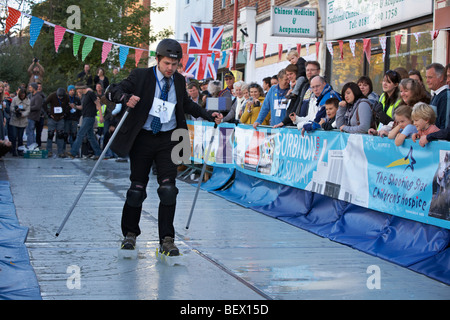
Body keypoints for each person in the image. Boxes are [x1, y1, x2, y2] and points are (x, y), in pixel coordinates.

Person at [104, 38, 222, 255]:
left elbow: (185, 104)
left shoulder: (178, 80)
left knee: (168, 190)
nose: (170, 68)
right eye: (167, 63)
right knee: (136, 191)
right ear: (158, 59)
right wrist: (125, 97)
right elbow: (112, 91)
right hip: (143, 138)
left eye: (174, 64)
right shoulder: (140, 76)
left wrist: (207, 114)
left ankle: (167, 239)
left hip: (170, 138)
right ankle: (130, 234)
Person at [273, 60, 321, 128]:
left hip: (314, 127)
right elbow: (296, 104)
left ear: (318, 71)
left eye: (312, 70)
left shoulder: (323, 86)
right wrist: (285, 121)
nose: (309, 72)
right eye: (307, 70)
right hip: (302, 124)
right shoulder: (305, 86)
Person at [67, 83, 103, 159]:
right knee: (91, 137)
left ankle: (73, 152)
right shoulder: (85, 96)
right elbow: (83, 107)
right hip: (85, 117)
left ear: (81, 88)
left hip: (89, 117)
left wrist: (101, 116)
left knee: (80, 134)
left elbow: (98, 103)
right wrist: (75, 106)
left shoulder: (90, 93)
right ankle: (98, 153)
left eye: (77, 90)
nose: (77, 92)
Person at [45, 88, 70, 158]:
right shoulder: (52, 96)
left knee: (60, 135)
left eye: (61, 97)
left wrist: (65, 114)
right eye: (59, 96)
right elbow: (44, 104)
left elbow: (69, 106)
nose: (60, 98)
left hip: (60, 118)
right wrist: (48, 113)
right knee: (50, 134)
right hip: (52, 118)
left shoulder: (66, 97)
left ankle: (60, 151)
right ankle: (49, 151)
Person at [426, 63, 449, 129]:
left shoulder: (445, 96)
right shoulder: (436, 95)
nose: (427, 81)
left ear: (441, 78)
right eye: (426, 77)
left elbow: (445, 124)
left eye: (430, 77)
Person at [9, 88, 30, 156]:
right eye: (21, 95)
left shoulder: (28, 101)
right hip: (14, 120)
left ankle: (20, 150)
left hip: (22, 121)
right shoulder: (15, 99)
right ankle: (13, 150)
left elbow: (28, 110)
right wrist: (15, 110)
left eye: (23, 95)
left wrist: (22, 114)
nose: (22, 96)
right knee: (14, 136)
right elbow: (11, 107)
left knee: (20, 137)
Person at [26, 82, 44, 150]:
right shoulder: (31, 95)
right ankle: (31, 145)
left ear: (34, 88)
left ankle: (31, 146)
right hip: (29, 116)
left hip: (33, 117)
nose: (29, 89)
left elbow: (37, 107)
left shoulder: (38, 96)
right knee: (29, 132)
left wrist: (28, 108)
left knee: (30, 132)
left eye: (30, 87)